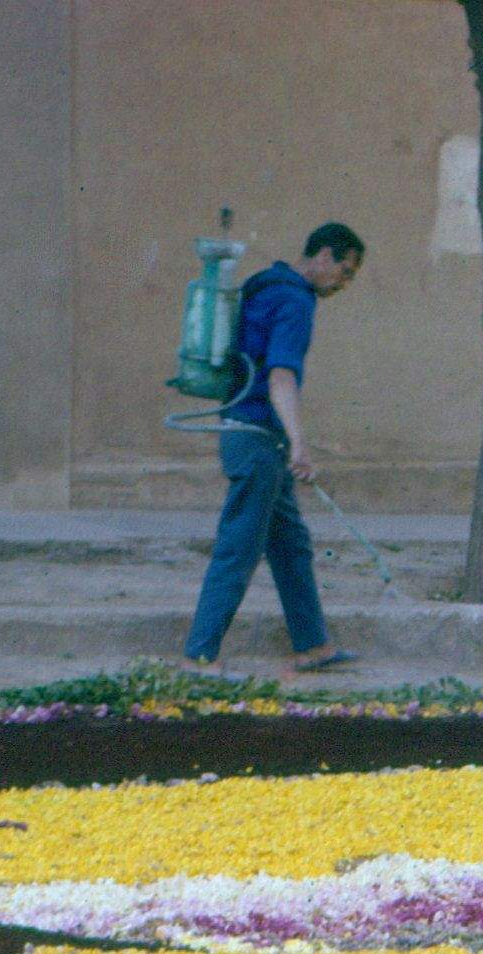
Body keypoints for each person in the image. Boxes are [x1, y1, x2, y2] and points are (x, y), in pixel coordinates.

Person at [183, 222, 366, 671]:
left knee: (291, 545)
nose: (344, 284)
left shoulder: (265, 284)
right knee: (239, 547)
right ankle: (198, 657)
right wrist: (300, 444)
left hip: (247, 433)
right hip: (258, 439)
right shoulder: (295, 301)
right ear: (323, 255)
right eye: (344, 271)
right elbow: (280, 375)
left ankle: (313, 645)